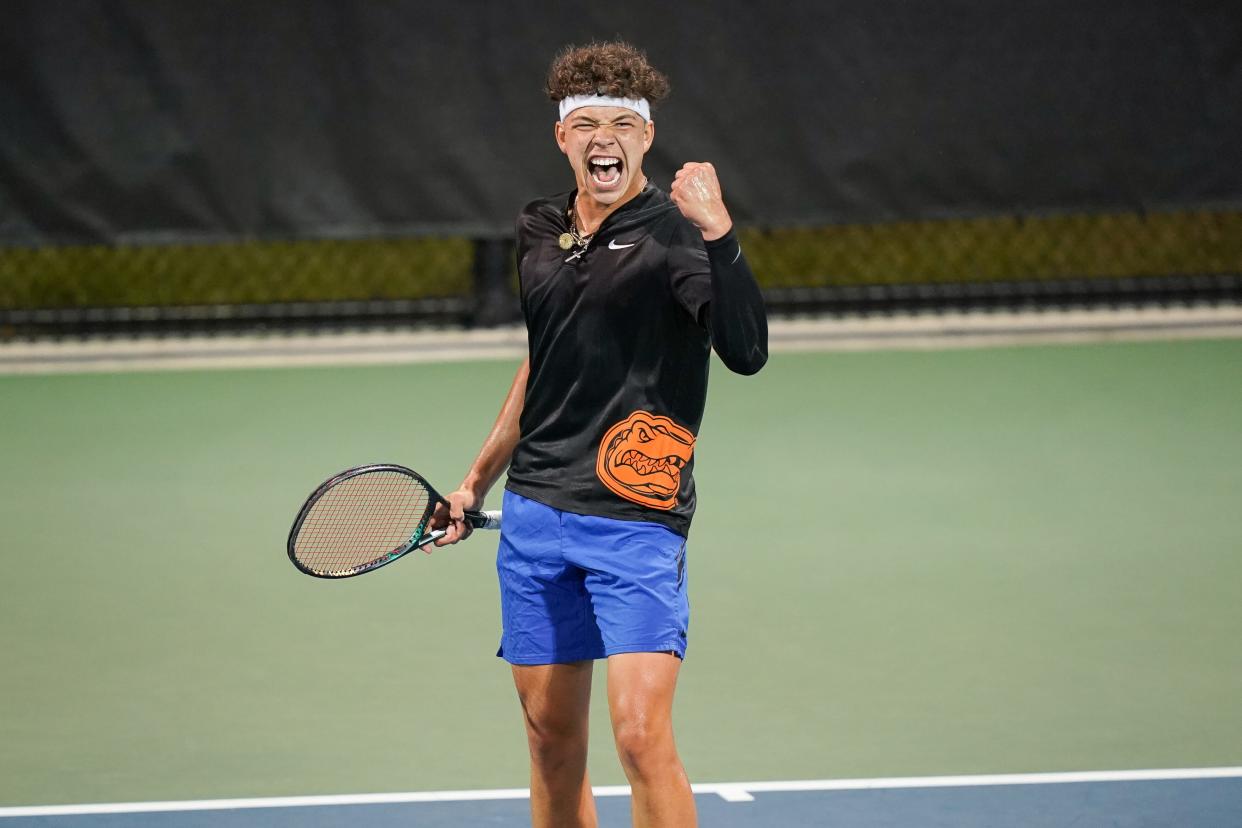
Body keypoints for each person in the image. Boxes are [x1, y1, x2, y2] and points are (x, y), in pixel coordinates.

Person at [431, 40, 767, 828]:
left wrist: (721, 235)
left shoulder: (677, 239)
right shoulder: (539, 228)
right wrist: (475, 480)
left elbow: (746, 352)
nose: (603, 138)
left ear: (647, 138)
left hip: (636, 520)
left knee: (642, 736)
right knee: (550, 740)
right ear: (562, 138)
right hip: (536, 512)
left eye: (622, 123)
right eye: (585, 123)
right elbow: (540, 363)